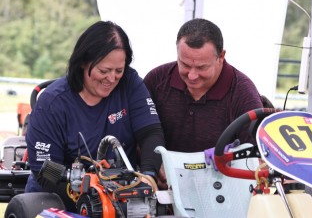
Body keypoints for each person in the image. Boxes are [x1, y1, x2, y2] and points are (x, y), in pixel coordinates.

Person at [25, 21, 165, 212]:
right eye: (104, 71)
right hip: (58, 203)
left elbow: (151, 133)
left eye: (119, 71)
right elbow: (45, 170)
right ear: (83, 62)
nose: (111, 79)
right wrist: (93, 198)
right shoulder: (52, 102)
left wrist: (147, 178)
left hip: (121, 202)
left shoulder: (130, 83)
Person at [144, 18, 263, 186]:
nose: (192, 75)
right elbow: (136, 133)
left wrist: (230, 157)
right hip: (163, 191)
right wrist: (153, 162)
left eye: (201, 68)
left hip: (222, 192)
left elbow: (258, 157)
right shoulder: (156, 80)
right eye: (184, 64)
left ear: (221, 56)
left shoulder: (243, 92)